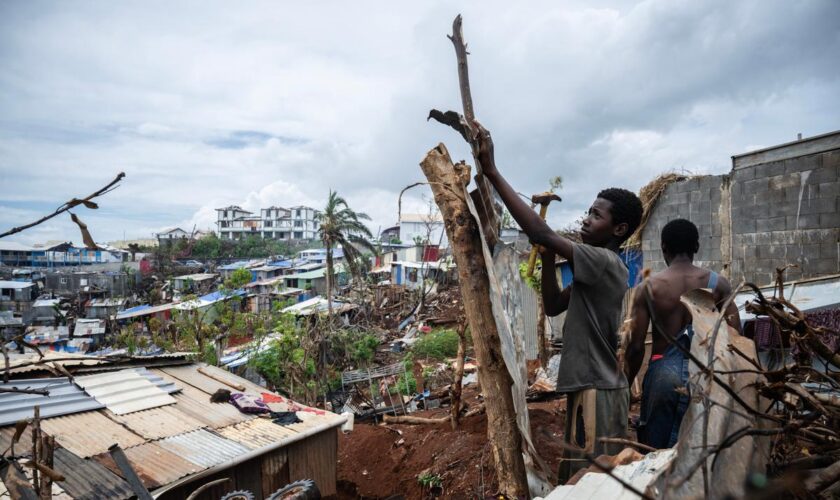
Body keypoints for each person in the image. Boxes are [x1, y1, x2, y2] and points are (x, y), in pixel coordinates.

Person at [474, 122, 644, 482]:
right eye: (589, 211)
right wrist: (548, 253)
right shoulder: (592, 268)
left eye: (597, 215)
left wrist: (492, 172)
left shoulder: (604, 262)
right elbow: (552, 305)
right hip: (588, 386)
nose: (587, 218)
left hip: (601, 390)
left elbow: (539, 231)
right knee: (580, 480)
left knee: (599, 483)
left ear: (619, 229)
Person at [625, 218, 741, 449]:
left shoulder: (648, 287)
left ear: (663, 247)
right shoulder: (719, 284)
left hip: (662, 373)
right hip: (707, 373)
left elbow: (636, 346)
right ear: (696, 246)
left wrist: (626, 385)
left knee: (655, 453)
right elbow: (734, 336)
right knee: (702, 450)